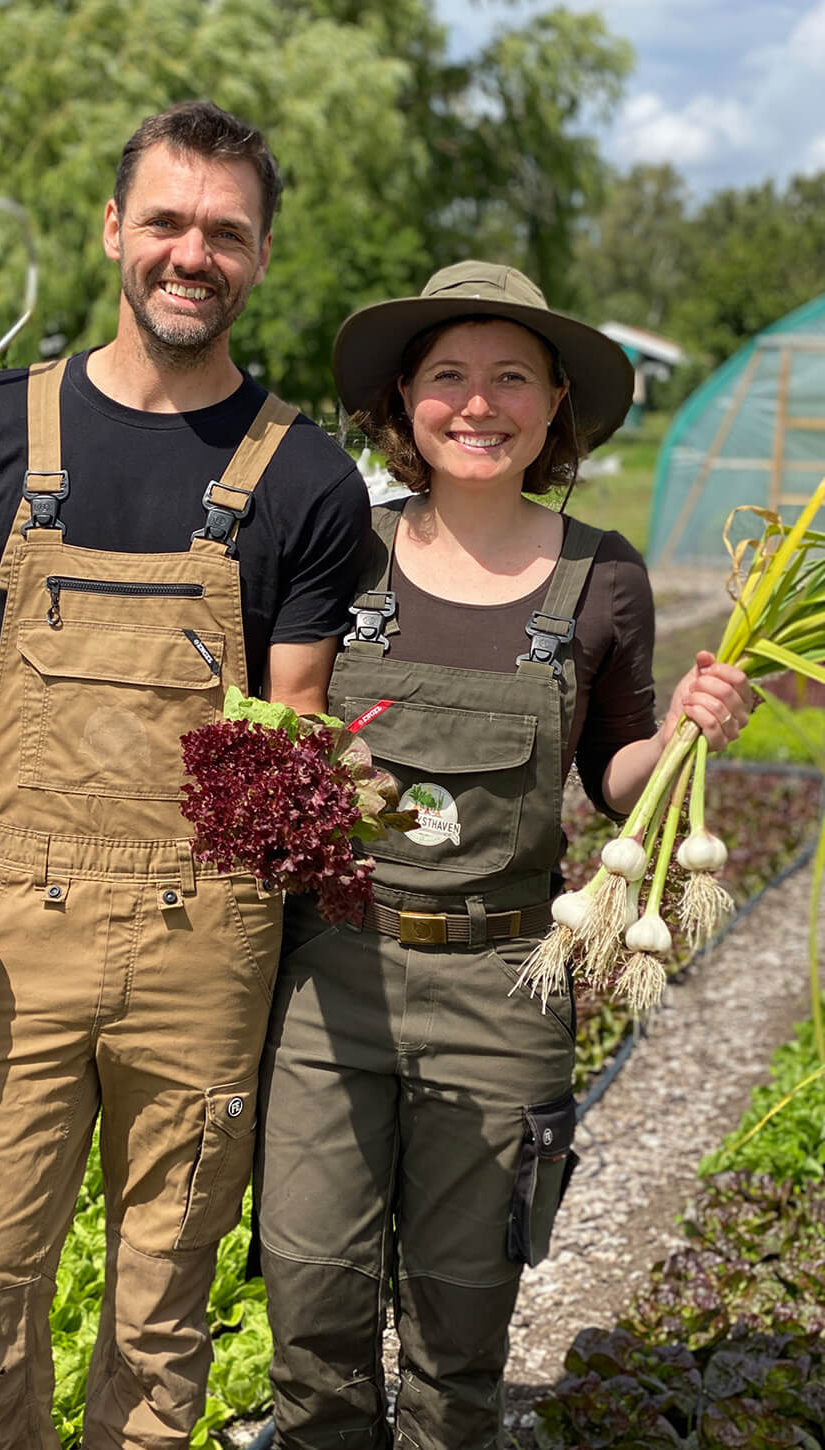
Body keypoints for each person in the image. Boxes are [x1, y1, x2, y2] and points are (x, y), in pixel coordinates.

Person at [0, 100, 370, 1449]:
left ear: (260, 256)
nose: (188, 253)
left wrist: (340, 787)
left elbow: (294, 718)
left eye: (224, 231)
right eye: (164, 221)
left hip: (203, 940)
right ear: (113, 231)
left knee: (162, 1324)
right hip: (10, 931)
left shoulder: (309, 480)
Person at [253, 260, 753, 1450]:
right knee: (311, 1307)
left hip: (503, 982)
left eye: (510, 379)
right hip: (334, 974)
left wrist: (684, 731)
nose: (477, 405)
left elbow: (614, 776)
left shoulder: (602, 575)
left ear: (554, 408)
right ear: (401, 406)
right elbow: (258, 715)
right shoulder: (342, 547)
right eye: (448, 378)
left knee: (458, 1327)